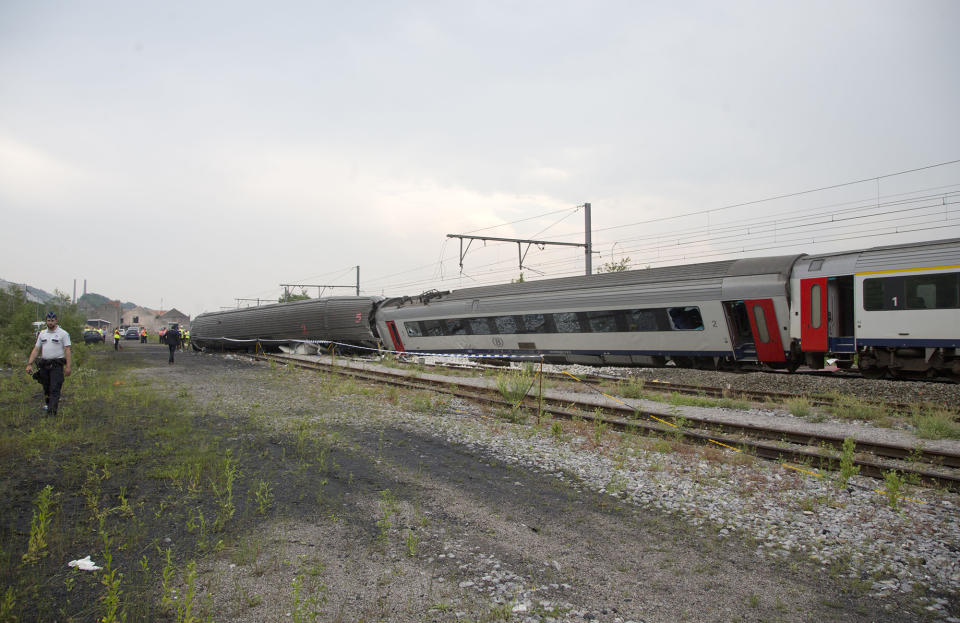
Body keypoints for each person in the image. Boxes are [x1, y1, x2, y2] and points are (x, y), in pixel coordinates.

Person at [25, 311, 72, 416]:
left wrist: (68, 367)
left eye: (52, 321)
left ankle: (52, 412)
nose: (50, 323)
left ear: (56, 321)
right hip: (44, 365)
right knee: (46, 387)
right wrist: (29, 364)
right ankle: (48, 406)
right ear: (46, 321)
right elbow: (36, 349)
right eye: (48, 321)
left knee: (55, 388)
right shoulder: (42, 334)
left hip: (56, 365)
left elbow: (67, 350)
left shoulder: (63, 334)